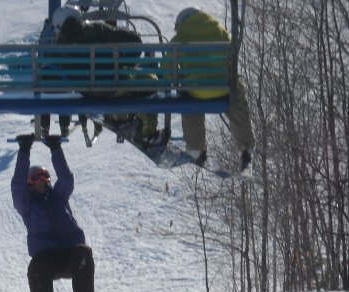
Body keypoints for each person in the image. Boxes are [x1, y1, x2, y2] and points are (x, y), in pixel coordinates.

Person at [11, 134, 95, 292]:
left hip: (70, 255)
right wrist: (24, 151)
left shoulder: (58, 197)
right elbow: (16, 188)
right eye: (36, 178)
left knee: (83, 253)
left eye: (45, 177)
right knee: (36, 268)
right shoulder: (28, 206)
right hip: (48, 258)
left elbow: (66, 179)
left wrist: (56, 149)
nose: (41, 181)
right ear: (30, 183)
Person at [52, 6, 162, 146]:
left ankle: (120, 119)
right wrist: (128, 60)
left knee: (121, 84)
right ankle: (148, 131)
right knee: (147, 81)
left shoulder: (59, 47)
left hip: (88, 92)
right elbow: (134, 42)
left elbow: (61, 73)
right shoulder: (96, 29)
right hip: (114, 85)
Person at [168, 7, 256, 172]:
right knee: (237, 98)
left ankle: (196, 149)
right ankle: (246, 148)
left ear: (180, 23)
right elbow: (232, 50)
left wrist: (178, 79)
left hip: (196, 91)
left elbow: (167, 65)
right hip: (222, 88)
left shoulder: (181, 35)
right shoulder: (217, 28)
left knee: (188, 103)